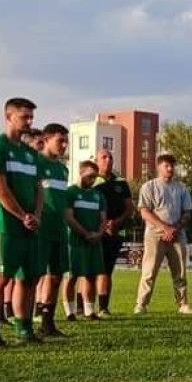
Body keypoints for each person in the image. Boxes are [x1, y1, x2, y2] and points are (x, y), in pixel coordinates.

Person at [0, 97, 44, 346]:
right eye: (24, 117)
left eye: (31, 117)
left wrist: (36, 214)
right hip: (5, 226)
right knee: (0, 279)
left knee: (28, 278)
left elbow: (39, 189)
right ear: (8, 117)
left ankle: (24, 328)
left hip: (30, 226)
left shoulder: (30, 154)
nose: (29, 121)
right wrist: (22, 215)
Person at [134, 154, 192, 315]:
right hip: (154, 235)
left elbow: (187, 212)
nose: (170, 169)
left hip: (177, 235)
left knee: (180, 272)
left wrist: (175, 228)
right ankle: (141, 304)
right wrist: (164, 228)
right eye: (166, 166)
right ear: (158, 167)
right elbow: (144, 212)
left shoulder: (181, 188)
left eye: (172, 166)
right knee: (149, 271)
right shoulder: (149, 187)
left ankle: (183, 304)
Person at [35, 123, 72, 338]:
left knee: (56, 276)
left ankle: (47, 324)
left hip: (59, 230)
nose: (64, 145)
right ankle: (25, 322)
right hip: (41, 229)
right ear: (46, 139)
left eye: (66, 141)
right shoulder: (36, 163)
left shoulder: (63, 169)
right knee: (35, 276)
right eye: (60, 140)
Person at [92, 148, 133, 317]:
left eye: (110, 157)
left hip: (114, 232)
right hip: (93, 232)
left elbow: (129, 208)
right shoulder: (90, 181)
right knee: (87, 271)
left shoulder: (121, 183)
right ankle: (82, 307)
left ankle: (103, 307)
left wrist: (116, 223)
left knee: (106, 270)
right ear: (96, 161)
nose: (108, 160)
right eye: (104, 157)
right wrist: (100, 225)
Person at [64, 161, 106, 320]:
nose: (93, 180)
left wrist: (98, 234)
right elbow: (69, 218)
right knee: (71, 276)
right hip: (75, 241)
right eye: (90, 176)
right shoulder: (70, 192)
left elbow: (103, 218)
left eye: (95, 177)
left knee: (91, 275)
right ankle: (70, 311)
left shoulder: (98, 195)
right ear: (81, 173)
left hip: (94, 241)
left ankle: (89, 310)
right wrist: (85, 234)